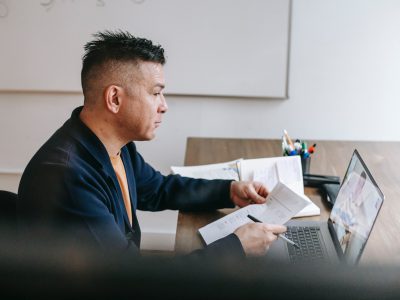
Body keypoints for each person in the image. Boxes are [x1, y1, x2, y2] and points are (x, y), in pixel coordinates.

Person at [17, 31, 286, 257]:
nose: (164, 106)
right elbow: (129, 281)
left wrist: (229, 191)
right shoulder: (67, 176)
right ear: (114, 99)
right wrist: (236, 248)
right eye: (155, 93)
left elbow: (157, 189)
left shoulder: (115, 146)